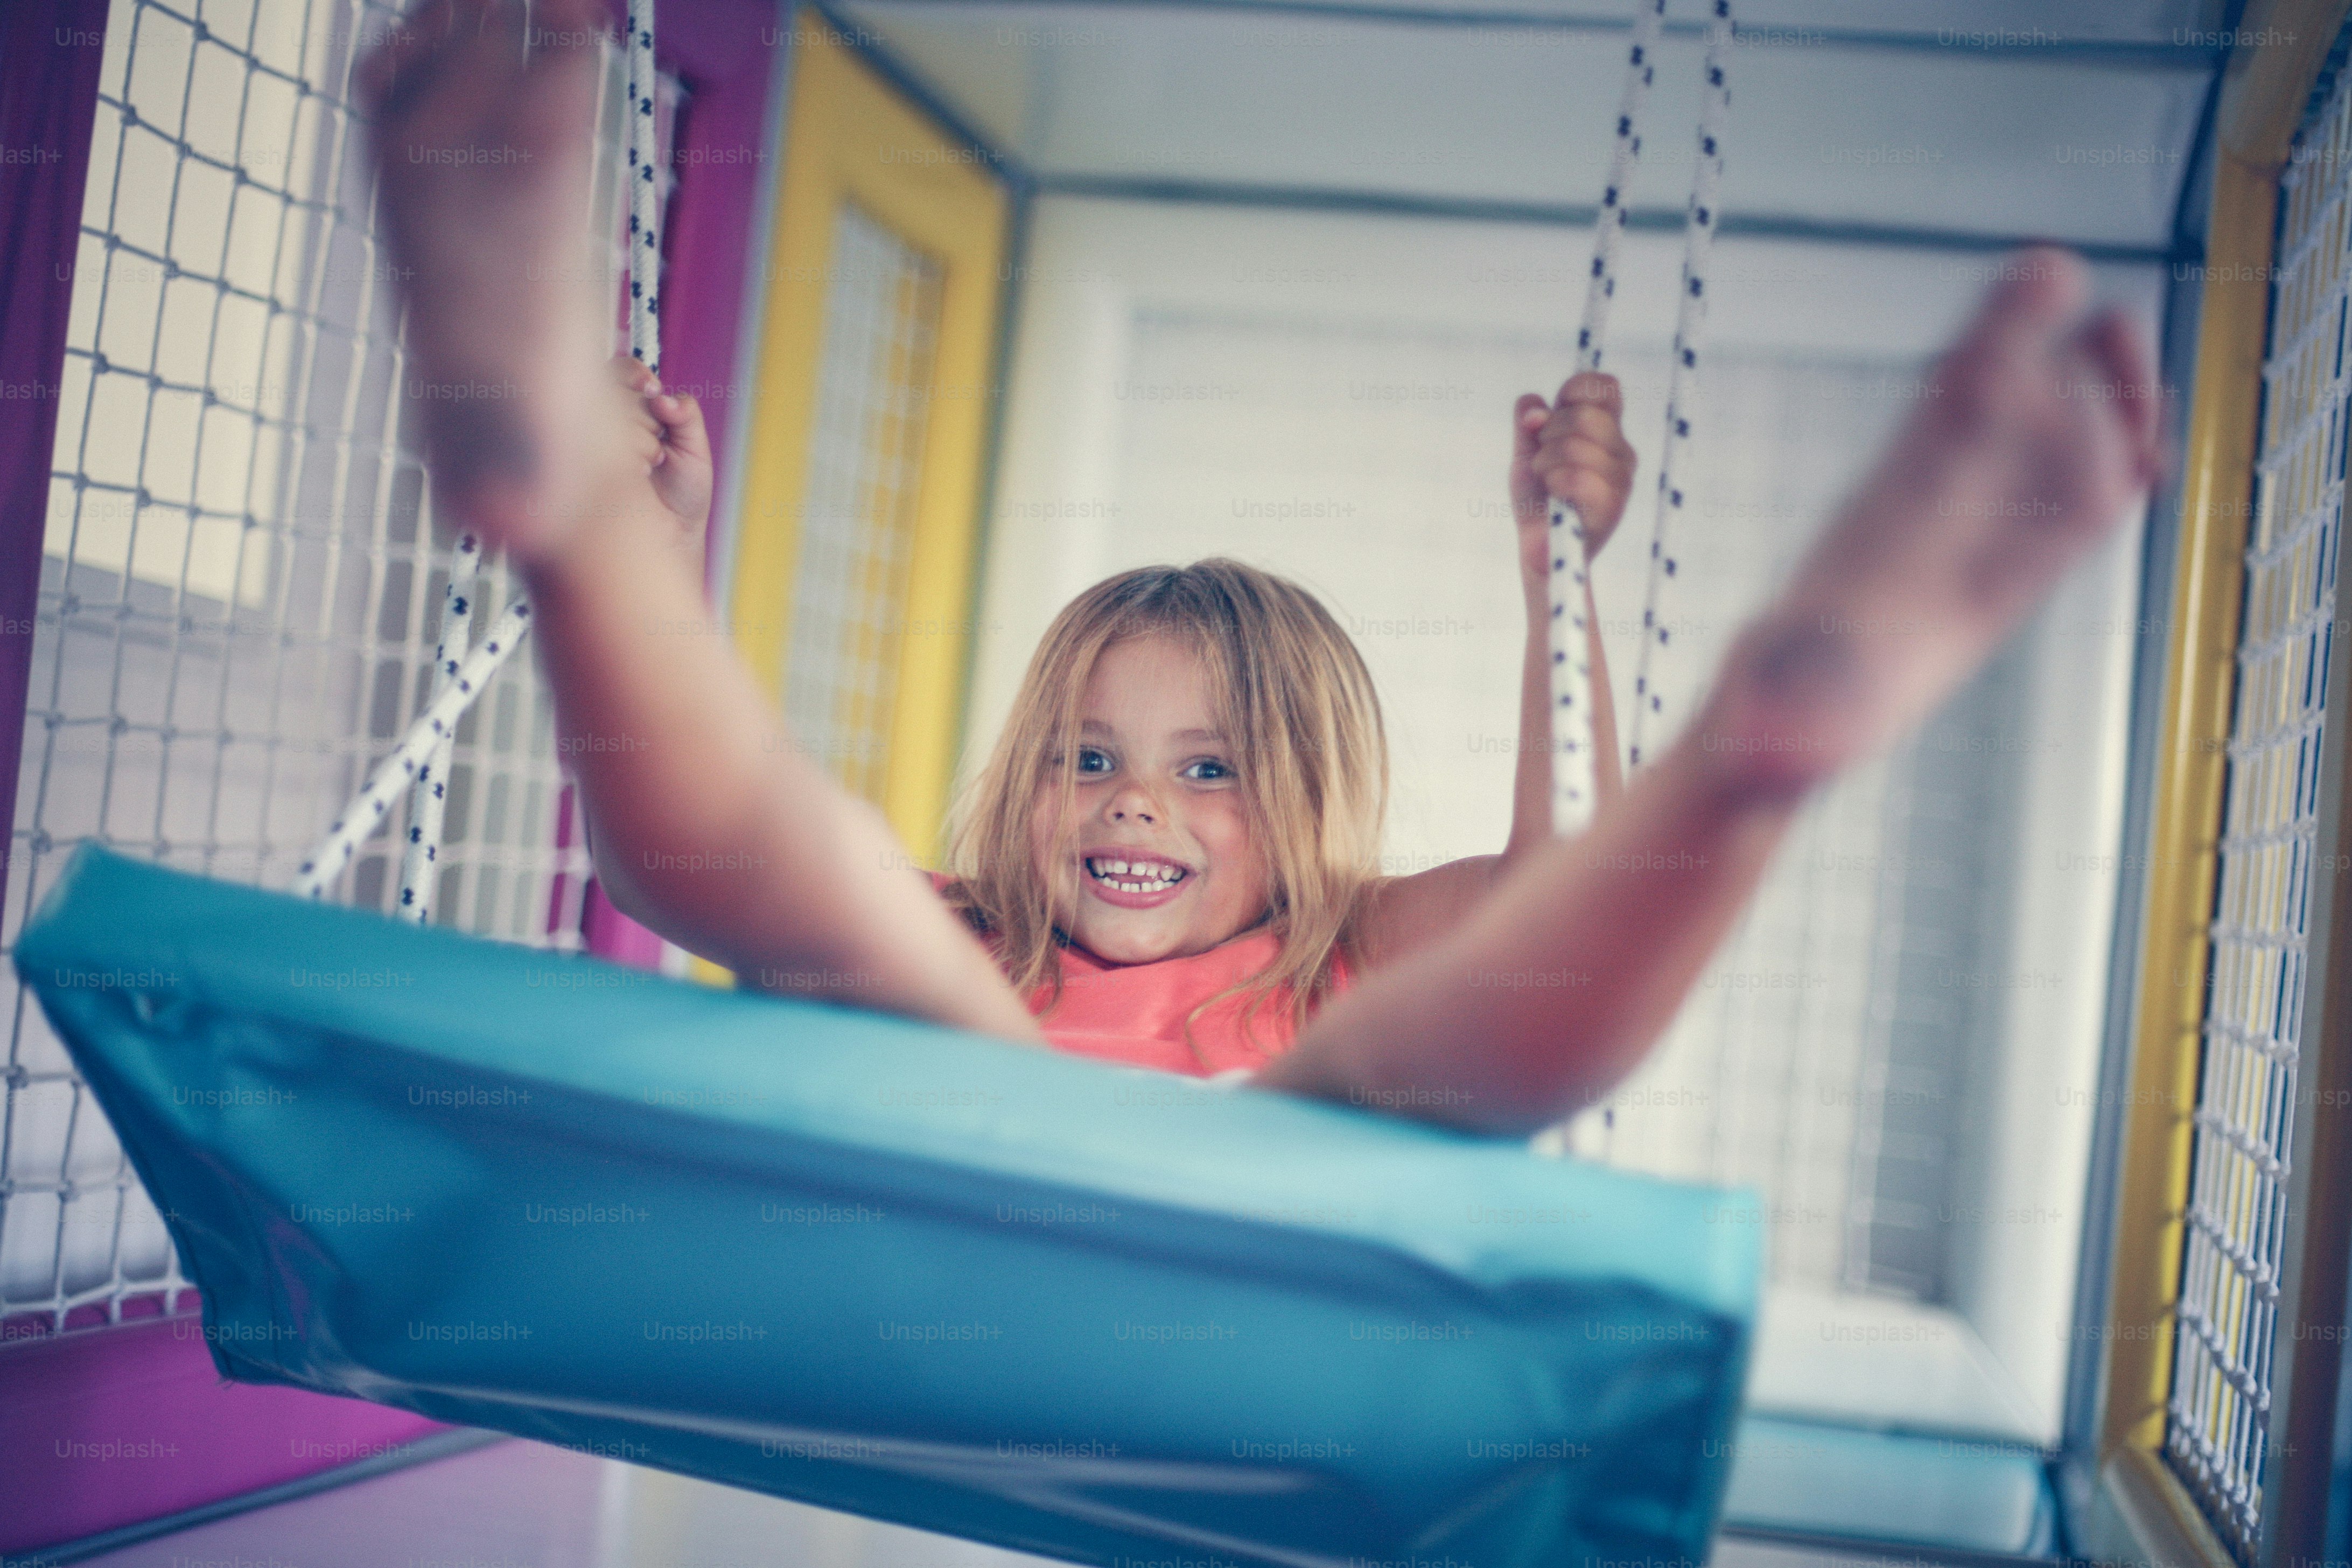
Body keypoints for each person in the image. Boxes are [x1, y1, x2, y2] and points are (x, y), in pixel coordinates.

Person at [357, 0, 2162, 1137]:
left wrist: (1564, 587)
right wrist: (667, 556)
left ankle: (1765, 749)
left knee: (1464, 1039)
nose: (1133, 803)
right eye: (1093, 753)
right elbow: (694, 875)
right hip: (959, 1181)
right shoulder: (984, 944)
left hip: (1263, 1248)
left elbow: (1551, 885)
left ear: (1298, 796)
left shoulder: (1334, 967)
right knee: (843, 910)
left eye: (1207, 766)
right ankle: (573, 518)